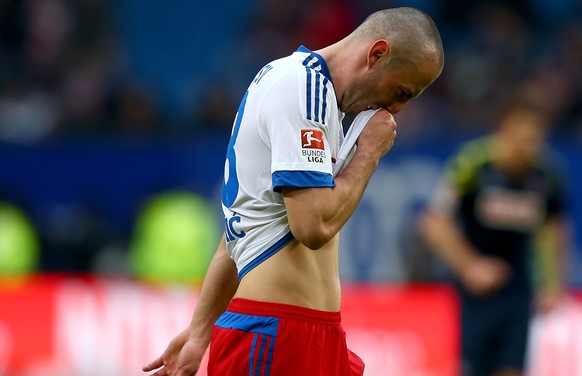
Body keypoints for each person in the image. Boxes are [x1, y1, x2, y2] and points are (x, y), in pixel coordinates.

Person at [143, 7, 444, 376]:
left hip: (310, 332)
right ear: (377, 53)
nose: (396, 108)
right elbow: (312, 226)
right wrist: (368, 154)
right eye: (401, 91)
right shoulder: (303, 89)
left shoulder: (316, 96)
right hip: (278, 334)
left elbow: (239, 229)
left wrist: (199, 332)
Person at [421, 97, 570, 376]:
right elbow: (434, 222)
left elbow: (555, 228)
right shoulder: (472, 166)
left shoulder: (546, 174)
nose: (526, 147)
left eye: (534, 139)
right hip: (475, 291)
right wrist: (470, 266)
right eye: (520, 137)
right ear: (503, 130)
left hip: (519, 287)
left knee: (512, 369)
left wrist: (552, 284)